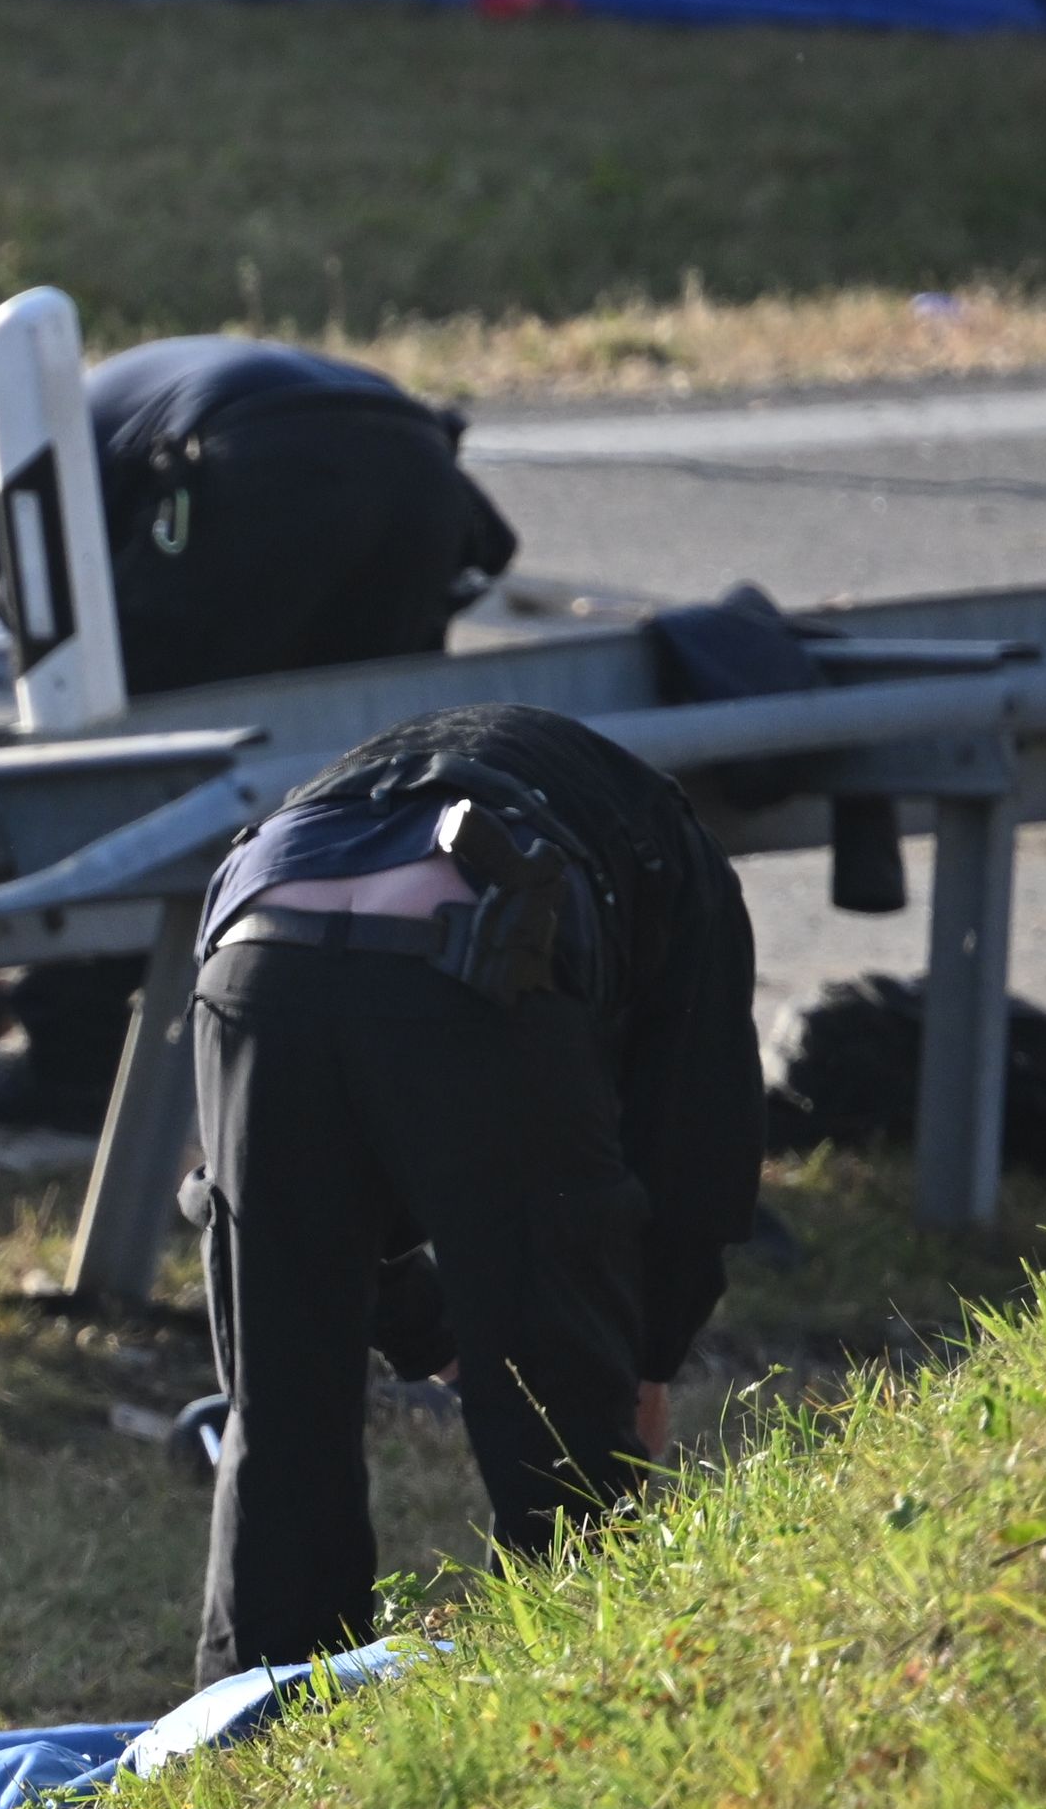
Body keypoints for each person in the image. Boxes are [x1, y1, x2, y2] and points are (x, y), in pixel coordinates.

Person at [183, 702, 763, 1682]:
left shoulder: (363, 781)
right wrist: (640, 1357)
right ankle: (578, 1698)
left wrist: (436, 1331)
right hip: (481, 958)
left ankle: (253, 1740)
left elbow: (247, 1204)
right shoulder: (678, 857)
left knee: (280, 1412)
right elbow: (694, 1144)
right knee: (559, 1423)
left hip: (254, 949)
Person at [0, 334, 517, 698]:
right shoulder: (99, 421)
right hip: (419, 457)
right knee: (368, 708)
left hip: (266, 454)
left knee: (151, 689)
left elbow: (60, 663)